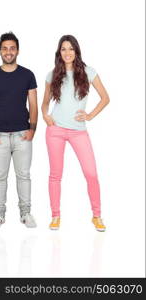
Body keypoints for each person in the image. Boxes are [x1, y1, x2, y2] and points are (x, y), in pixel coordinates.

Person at [41, 35, 110, 231]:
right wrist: (46, 116)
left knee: (91, 173)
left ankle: (97, 215)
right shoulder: (52, 74)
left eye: (71, 48)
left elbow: (105, 98)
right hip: (55, 130)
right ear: (59, 53)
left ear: (76, 51)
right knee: (55, 174)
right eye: (63, 49)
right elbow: (45, 103)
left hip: (79, 132)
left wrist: (89, 115)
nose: (67, 52)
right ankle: (55, 216)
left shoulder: (88, 72)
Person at [0, 32, 38, 229]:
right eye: (5, 48)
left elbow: (33, 104)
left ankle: (26, 213)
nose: (8, 52)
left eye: (12, 48)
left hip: (23, 133)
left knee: (24, 175)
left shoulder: (28, 75)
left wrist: (32, 129)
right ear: (0, 51)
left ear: (18, 51)